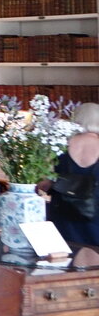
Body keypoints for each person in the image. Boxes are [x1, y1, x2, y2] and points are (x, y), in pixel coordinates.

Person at [48, 103, 99, 245]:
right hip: (95, 214)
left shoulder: (60, 144)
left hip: (63, 211)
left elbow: (43, 182)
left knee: (65, 259)